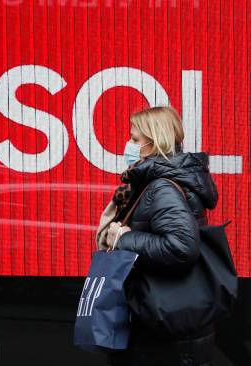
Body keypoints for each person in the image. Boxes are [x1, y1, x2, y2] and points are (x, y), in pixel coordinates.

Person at [105, 105, 219, 366]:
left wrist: (123, 238)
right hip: (169, 322)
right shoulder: (160, 182)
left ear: (155, 142)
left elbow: (181, 247)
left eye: (135, 139)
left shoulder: (162, 188)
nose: (128, 145)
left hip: (162, 330)